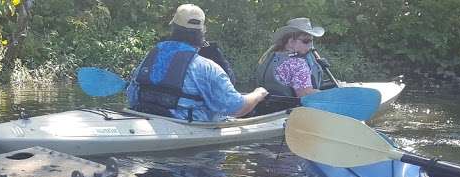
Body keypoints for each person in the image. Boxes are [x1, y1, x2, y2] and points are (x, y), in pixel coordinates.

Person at [126, 4, 268, 122]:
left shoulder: (152, 54)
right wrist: (257, 94)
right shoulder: (206, 67)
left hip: (145, 117)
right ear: (202, 32)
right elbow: (237, 108)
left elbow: (132, 96)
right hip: (184, 127)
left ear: (173, 28)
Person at [255, 18, 328, 99]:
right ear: (291, 42)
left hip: (269, 107)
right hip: (292, 109)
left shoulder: (267, 57)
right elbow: (306, 95)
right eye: (306, 41)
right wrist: (332, 94)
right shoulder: (297, 64)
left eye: (312, 41)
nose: (311, 46)